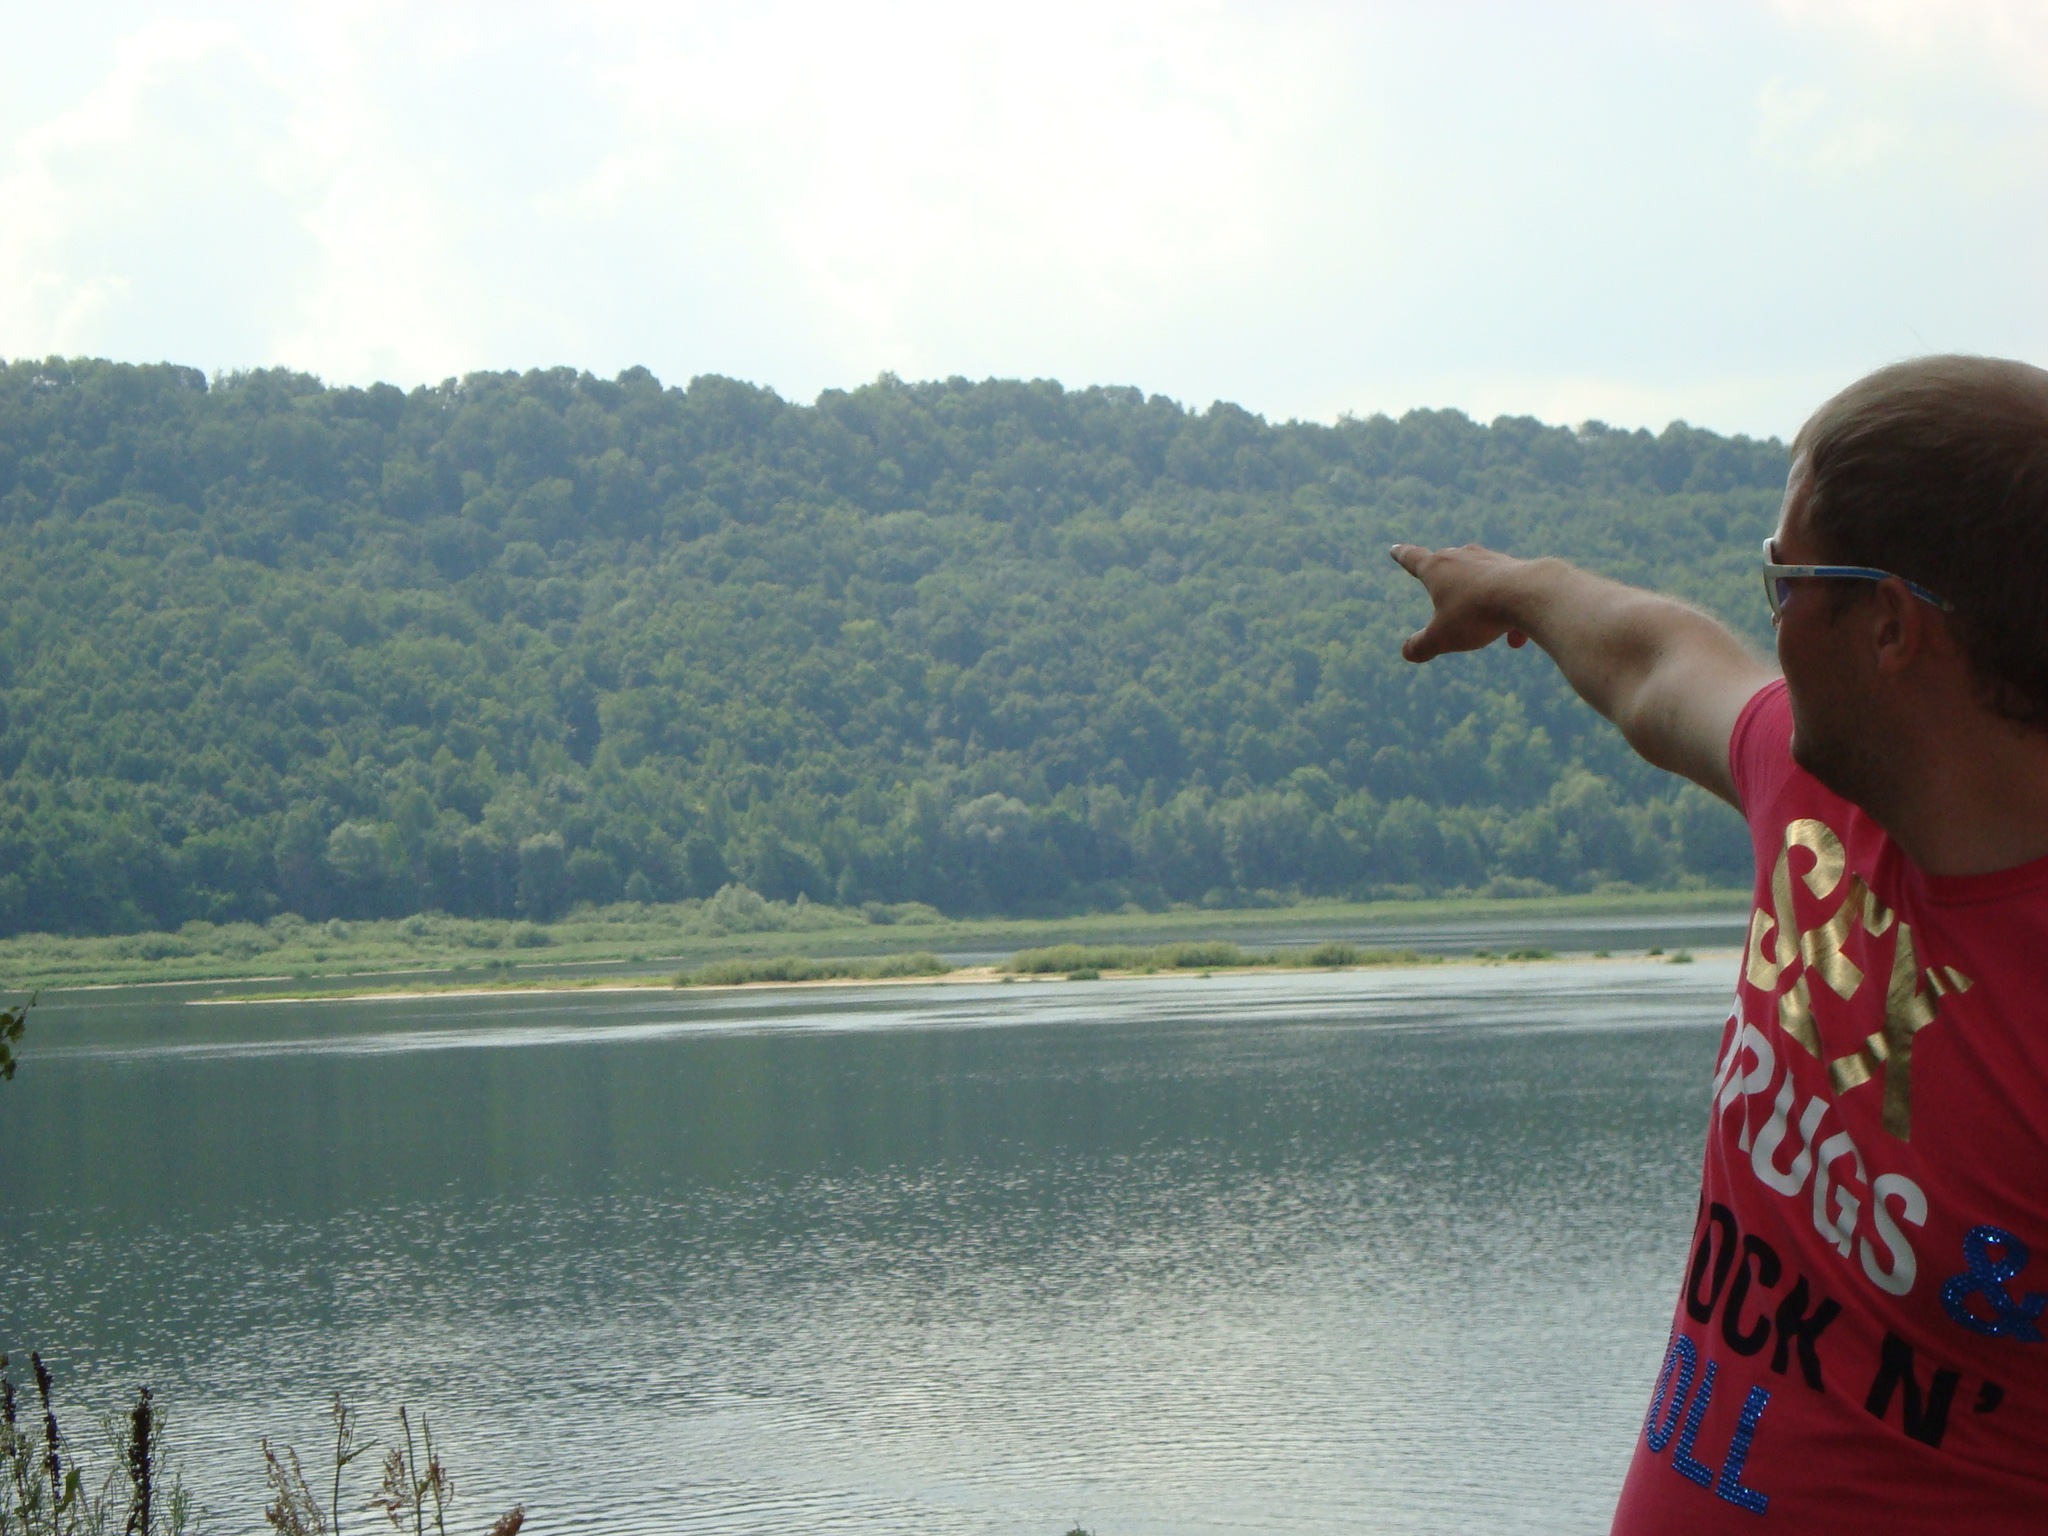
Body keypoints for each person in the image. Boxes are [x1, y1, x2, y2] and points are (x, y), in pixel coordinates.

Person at [1392, 354, 2048, 1531]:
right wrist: (1507, 585)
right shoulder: (1815, 808)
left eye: (1783, 580)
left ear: (1889, 627)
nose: (1769, 618)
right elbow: (1655, 660)